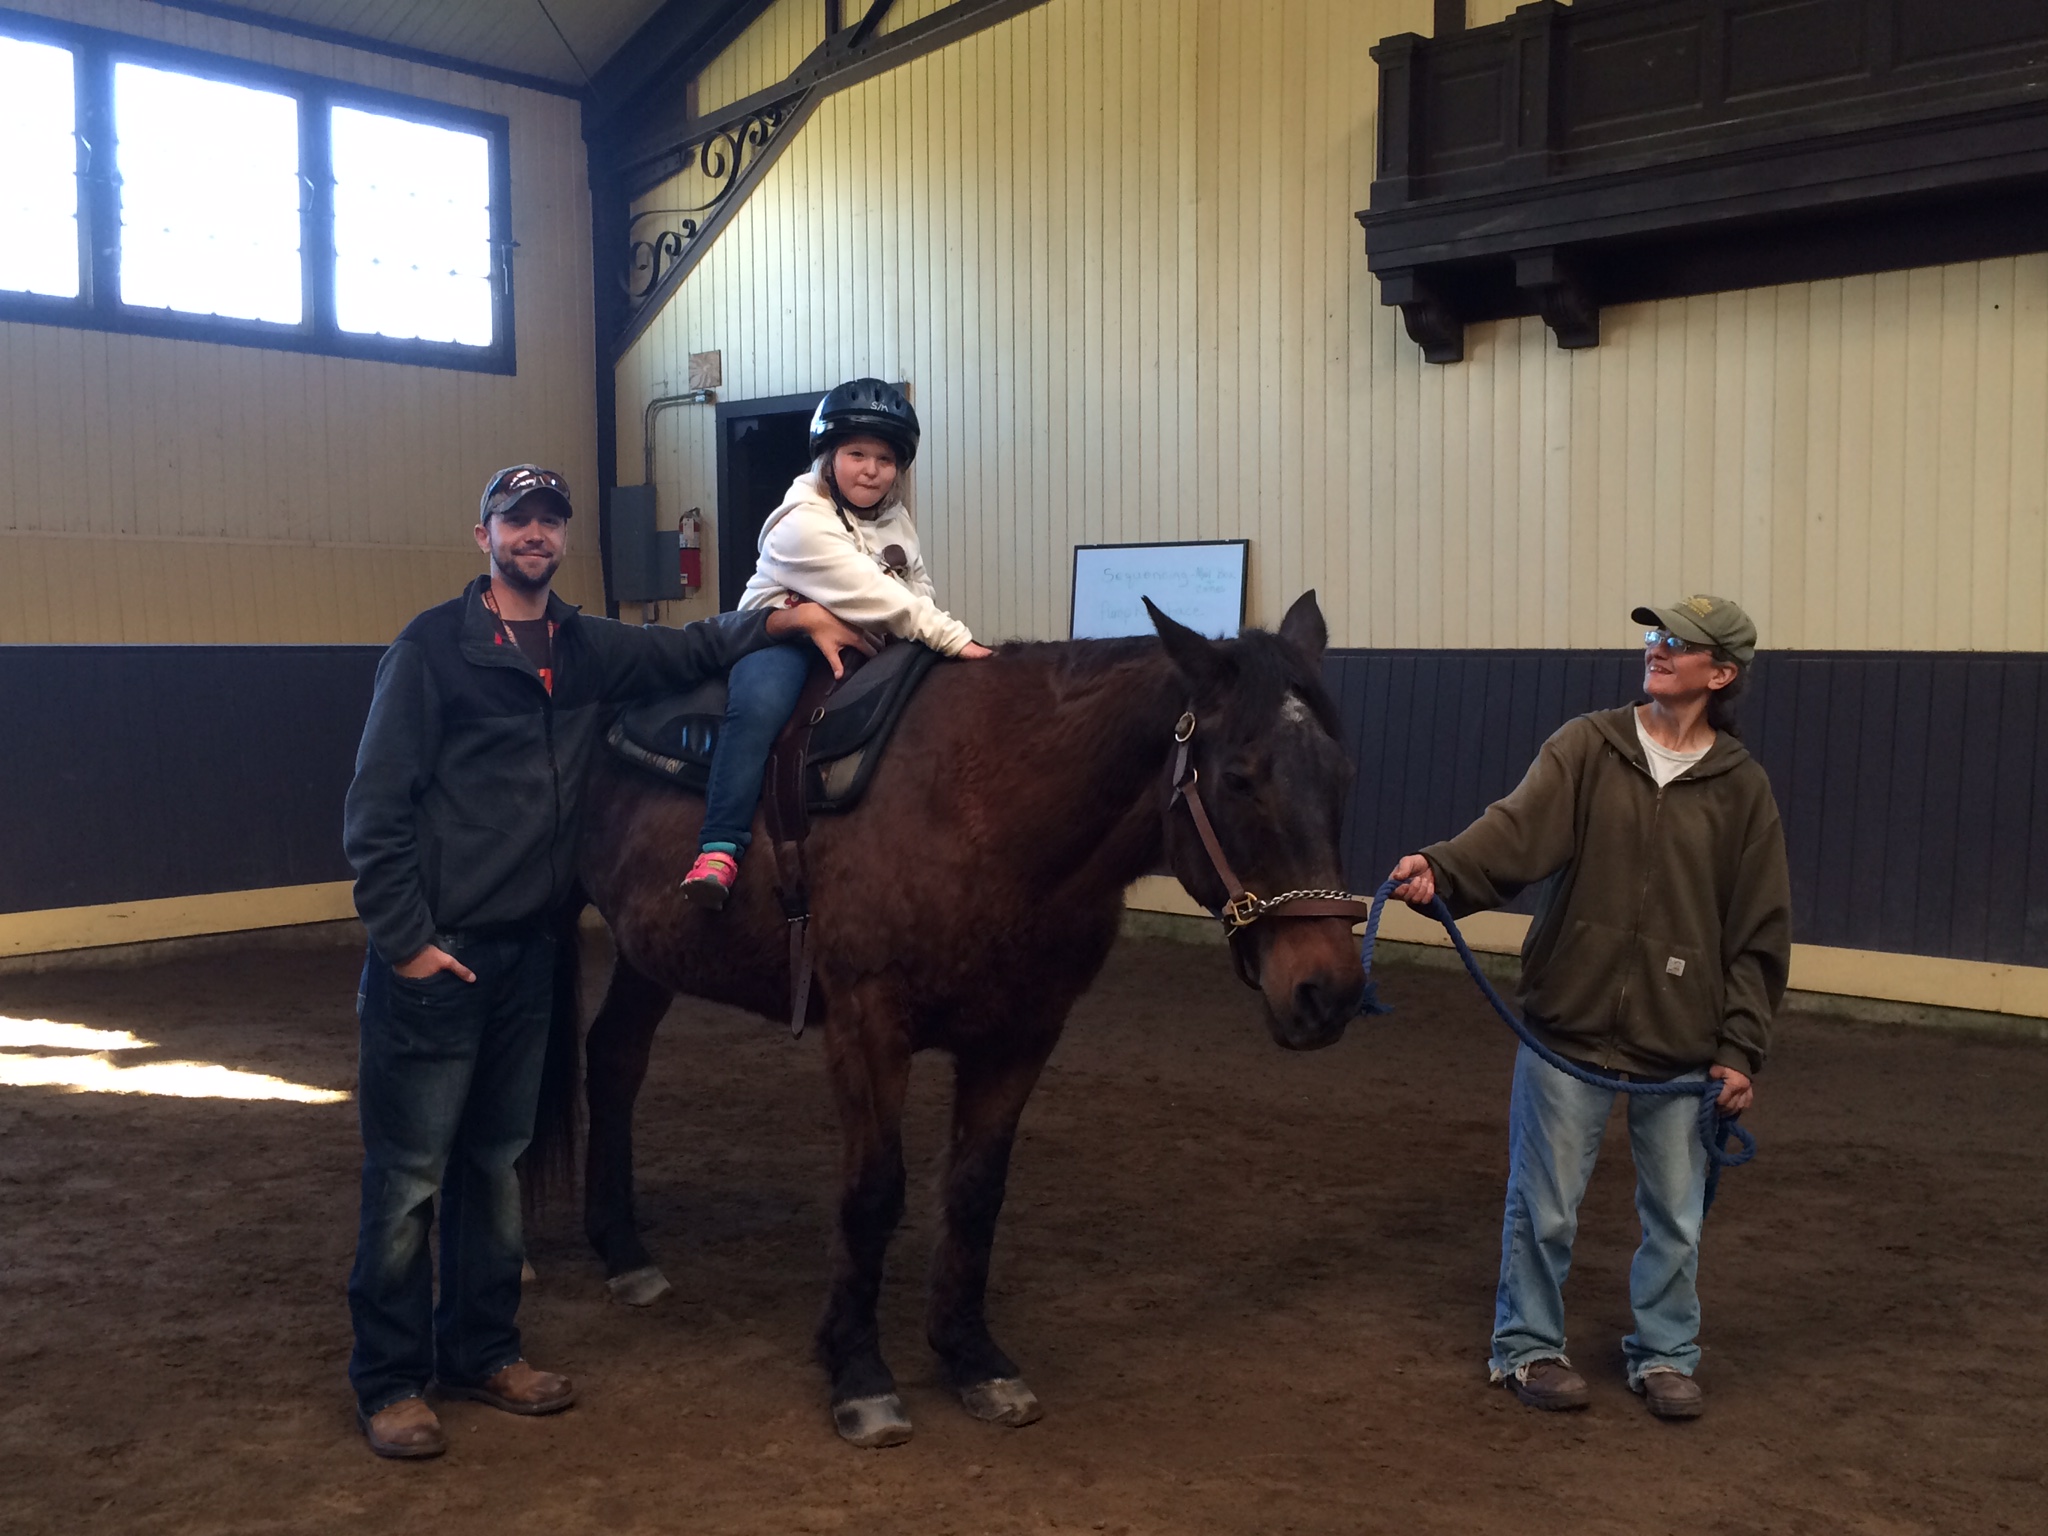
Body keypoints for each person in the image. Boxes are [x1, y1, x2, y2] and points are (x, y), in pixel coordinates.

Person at [342, 463, 870, 1459]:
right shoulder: (430, 651)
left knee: (495, 1167)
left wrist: (786, 620)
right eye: (516, 520)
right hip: (440, 953)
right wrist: (405, 941)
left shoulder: (584, 649)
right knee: (410, 1177)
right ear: (483, 535)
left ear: (563, 538)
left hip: (528, 949)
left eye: (548, 520)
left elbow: (696, 643)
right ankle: (388, 1381)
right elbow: (373, 812)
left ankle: (484, 1350)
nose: (533, 534)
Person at [1387, 595, 1790, 1421]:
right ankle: (1527, 1348)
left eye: (1678, 643)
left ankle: (1666, 1355)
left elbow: (1758, 932)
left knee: (1677, 1220)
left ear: (1721, 674)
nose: (1657, 649)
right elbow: (1511, 834)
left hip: (1680, 1046)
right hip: (1566, 1026)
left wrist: (1739, 1049)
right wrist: (1443, 870)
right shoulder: (1587, 747)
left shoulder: (1744, 790)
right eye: (1654, 635)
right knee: (1543, 1206)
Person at [680, 378, 993, 906]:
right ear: (827, 456)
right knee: (759, 709)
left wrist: (935, 639)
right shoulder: (801, 523)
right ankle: (719, 844)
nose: (871, 470)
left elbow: (915, 590)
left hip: (862, 633)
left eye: (886, 459)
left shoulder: (896, 520)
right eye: (856, 454)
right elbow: (878, 596)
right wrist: (956, 641)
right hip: (781, 636)